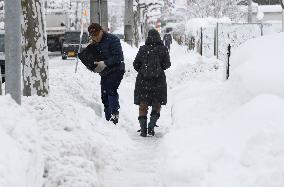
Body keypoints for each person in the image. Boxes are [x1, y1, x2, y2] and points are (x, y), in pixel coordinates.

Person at [133, 29, 171, 137]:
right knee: (156, 104)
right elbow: (167, 64)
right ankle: (151, 126)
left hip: (143, 81)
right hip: (158, 81)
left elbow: (135, 64)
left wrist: (143, 71)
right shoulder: (163, 49)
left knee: (143, 105)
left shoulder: (143, 49)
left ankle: (143, 129)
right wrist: (158, 69)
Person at [87, 23, 125, 124]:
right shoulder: (94, 43)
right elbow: (94, 58)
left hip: (117, 69)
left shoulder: (113, 39)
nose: (95, 37)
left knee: (111, 89)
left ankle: (114, 114)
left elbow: (118, 57)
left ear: (101, 31)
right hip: (105, 72)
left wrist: (105, 63)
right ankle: (107, 118)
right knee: (104, 94)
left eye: (96, 35)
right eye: (92, 36)